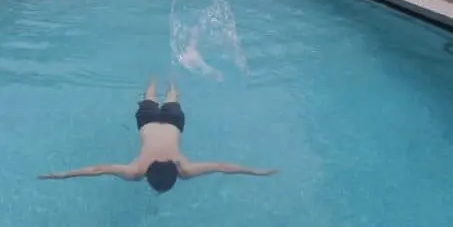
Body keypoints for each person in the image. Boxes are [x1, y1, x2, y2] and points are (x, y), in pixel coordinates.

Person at [38, 78, 277, 193]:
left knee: (172, 97)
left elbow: (221, 166)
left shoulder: (181, 168)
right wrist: (63, 175)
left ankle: (165, 79)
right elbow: (100, 169)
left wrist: (65, 175)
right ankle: (159, 80)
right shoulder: (139, 170)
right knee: (150, 96)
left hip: (173, 121)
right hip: (148, 122)